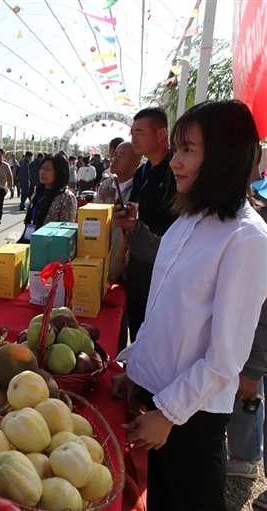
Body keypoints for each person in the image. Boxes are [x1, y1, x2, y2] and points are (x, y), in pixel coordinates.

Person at [114, 100, 267, 511]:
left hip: (191, 418)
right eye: (177, 149)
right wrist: (136, 372)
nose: (175, 162)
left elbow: (225, 359)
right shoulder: (188, 220)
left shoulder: (246, 238)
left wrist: (168, 414)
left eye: (188, 150)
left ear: (223, 156)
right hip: (159, 400)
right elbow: (164, 314)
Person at [115, 107, 177, 344]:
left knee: (159, 336)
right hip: (139, 264)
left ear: (161, 134)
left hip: (166, 266)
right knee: (137, 328)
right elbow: (137, 215)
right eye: (132, 132)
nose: (134, 138)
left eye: (139, 132)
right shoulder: (143, 172)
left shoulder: (176, 170)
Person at [225, 163, 267, 505]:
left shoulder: (255, 228)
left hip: (259, 335)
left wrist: (253, 367)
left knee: (250, 393)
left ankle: (246, 456)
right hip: (252, 332)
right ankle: (245, 455)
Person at [95, 141, 140, 287]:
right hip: (99, 257)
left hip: (124, 265)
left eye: (121, 156)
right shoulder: (105, 186)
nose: (115, 159)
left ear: (135, 164)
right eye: (115, 155)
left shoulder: (138, 190)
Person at [19, 154, 77, 243]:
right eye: (42, 168)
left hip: (48, 246)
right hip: (29, 241)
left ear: (58, 173)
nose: (43, 172)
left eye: (48, 169)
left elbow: (66, 232)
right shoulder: (38, 192)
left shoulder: (66, 197)